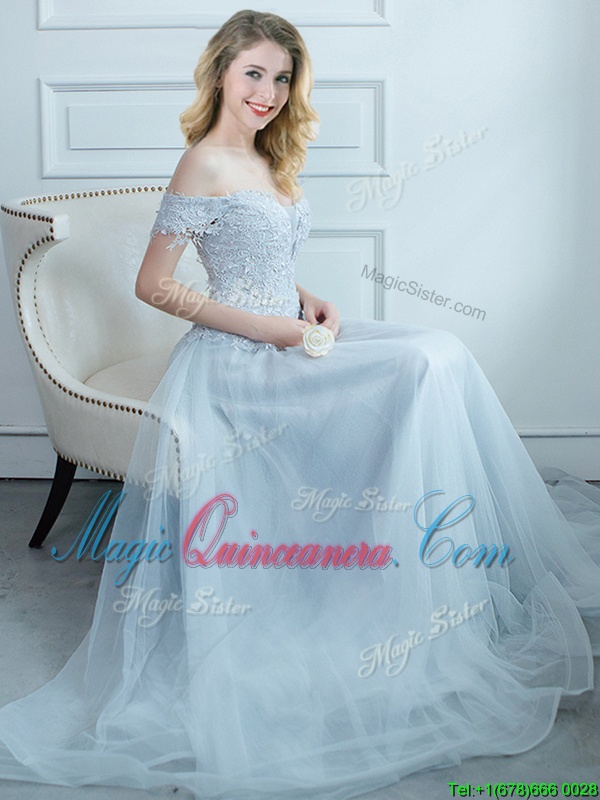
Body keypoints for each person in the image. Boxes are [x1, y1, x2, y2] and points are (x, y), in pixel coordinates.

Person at [0, 8, 599, 799]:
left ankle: (398, 574)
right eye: (254, 72)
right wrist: (275, 329)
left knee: (439, 353)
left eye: (282, 78)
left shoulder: (266, 158)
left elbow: (266, 262)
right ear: (221, 71)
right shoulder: (203, 162)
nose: (269, 91)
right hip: (236, 362)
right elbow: (155, 286)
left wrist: (309, 301)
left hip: (288, 332)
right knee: (423, 363)